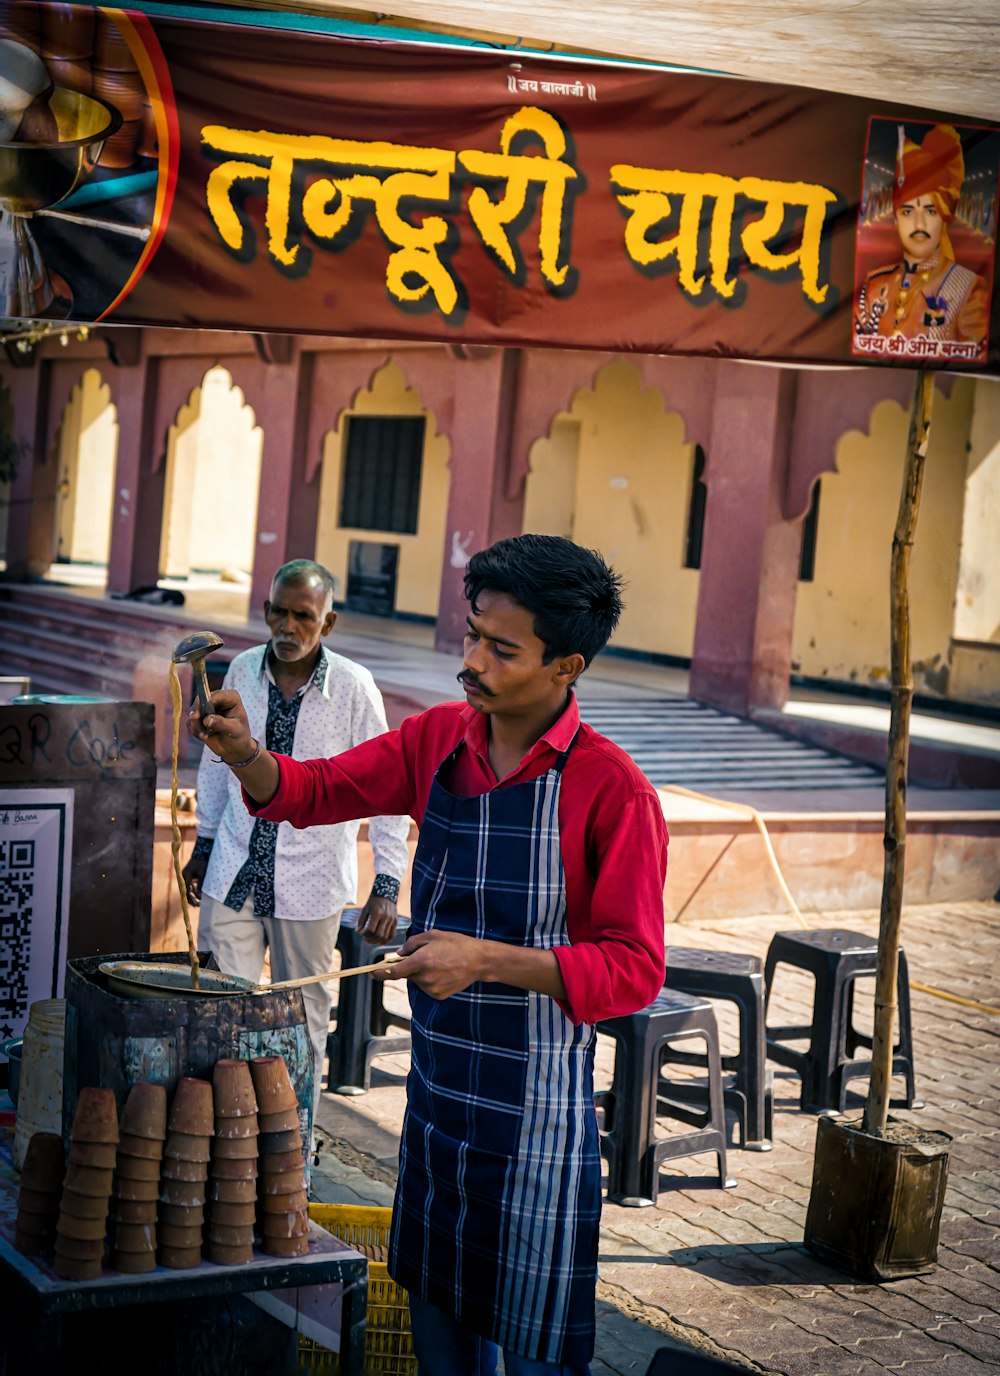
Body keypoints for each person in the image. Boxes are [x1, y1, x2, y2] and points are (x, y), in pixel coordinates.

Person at [187, 534, 668, 1376]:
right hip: (439, 1102)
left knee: (536, 1355)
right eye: (473, 634)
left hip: (538, 1125)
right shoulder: (441, 738)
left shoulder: (611, 788)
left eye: (501, 648)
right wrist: (245, 755)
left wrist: (486, 959)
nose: (472, 661)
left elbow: (633, 971)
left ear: (568, 667)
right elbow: (314, 792)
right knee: (442, 1343)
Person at [181, 557, 411, 1135]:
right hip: (234, 866)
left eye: (302, 616)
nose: (288, 626)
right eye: (279, 613)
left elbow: (387, 786)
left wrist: (386, 882)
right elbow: (214, 764)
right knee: (220, 1008)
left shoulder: (354, 687)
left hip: (311, 880)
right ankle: (225, 1140)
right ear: (264, 613)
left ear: (326, 623)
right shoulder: (239, 670)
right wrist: (204, 845)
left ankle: (294, 1144)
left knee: (301, 1018)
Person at [854, 123, 990, 347]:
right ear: (896, 219)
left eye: (930, 211)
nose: (919, 223)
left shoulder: (969, 290)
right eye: (908, 212)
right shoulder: (875, 285)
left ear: (944, 218)